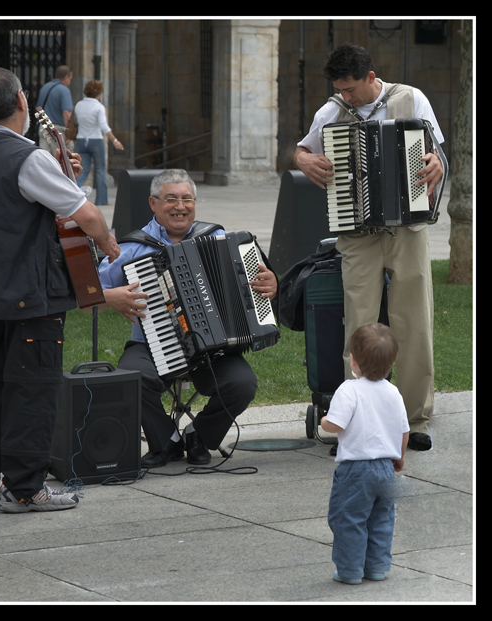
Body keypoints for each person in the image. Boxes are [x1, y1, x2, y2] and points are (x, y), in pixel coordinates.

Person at [0, 67, 120, 513]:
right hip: (27, 295)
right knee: (31, 389)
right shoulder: (25, 156)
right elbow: (87, 216)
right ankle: (25, 488)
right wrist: (107, 244)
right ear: (22, 102)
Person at [293, 43, 444, 451]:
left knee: (414, 321)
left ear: (371, 78)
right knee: (357, 325)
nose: (348, 97)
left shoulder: (410, 98)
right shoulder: (330, 113)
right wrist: (303, 159)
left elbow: (438, 155)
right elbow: (303, 149)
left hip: (408, 228)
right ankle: (357, 416)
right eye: (341, 90)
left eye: (353, 89)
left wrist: (436, 164)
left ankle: (415, 418)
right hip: (357, 233)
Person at [95, 169, 278, 468]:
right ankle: (165, 441)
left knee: (243, 383)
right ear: (153, 204)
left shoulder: (218, 238)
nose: (180, 206)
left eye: (186, 199)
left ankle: (200, 436)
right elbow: (88, 294)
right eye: (171, 199)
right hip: (151, 345)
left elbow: (256, 282)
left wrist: (271, 284)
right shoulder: (131, 248)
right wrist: (112, 297)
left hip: (213, 348)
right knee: (131, 378)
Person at [320, 323, 409, 584]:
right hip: (385, 468)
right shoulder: (393, 392)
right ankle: (377, 567)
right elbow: (404, 430)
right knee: (381, 518)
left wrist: (324, 422)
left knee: (348, 519)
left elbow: (336, 424)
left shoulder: (349, 390)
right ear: (391, 363)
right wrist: (399, 457)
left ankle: (349, 571)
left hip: (356, 470)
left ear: (354, 360)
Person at [73, 79, 124, 205]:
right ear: (99, 93)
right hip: (96, 140)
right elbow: (103, 126)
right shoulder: (98, 107)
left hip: (81, 140)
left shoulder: (79, 105)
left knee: (82, 170)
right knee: (100, 170)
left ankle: (73, 193)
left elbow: (75, 121)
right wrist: (115, 140)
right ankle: (102, 200)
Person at [36, 65, 74, 151]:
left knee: (45, 160)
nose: (70, 81)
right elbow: (66, 113)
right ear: (66, 77)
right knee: (63, 159)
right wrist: (68, 133)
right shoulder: (64, 90)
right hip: (57, 129)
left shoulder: (44, 87)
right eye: (70, 78)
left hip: (43, 127)